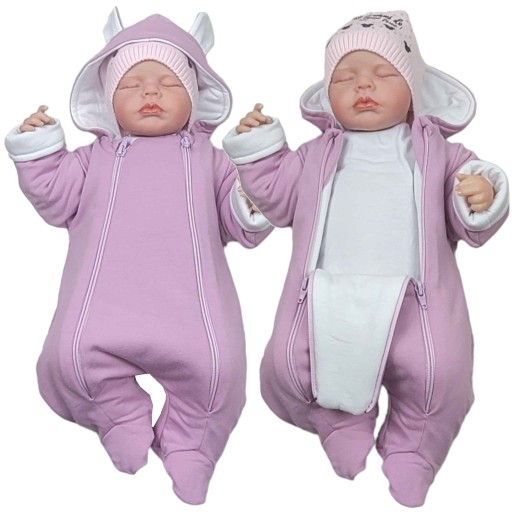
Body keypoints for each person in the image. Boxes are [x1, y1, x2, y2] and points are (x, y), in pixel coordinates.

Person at [222, 10, 509, 507]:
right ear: (328, 96)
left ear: (413, 91)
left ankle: (414, 450)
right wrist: (260, 148)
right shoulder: (313, 156)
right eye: (345, 78)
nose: (363, 85)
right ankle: (339, 420)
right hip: (324, 299)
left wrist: (481, 193)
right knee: (291, 366)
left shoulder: (440, 155)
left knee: (440, 375)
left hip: (419, 305)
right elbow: (276, 199)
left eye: (383, 74)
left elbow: (472, 206)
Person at [4, 9, 270, 506]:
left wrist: (255, 179)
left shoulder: (211, 161)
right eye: (132, 85)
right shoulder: (93, 159)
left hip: (192, 318)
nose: (150, 92)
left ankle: (192, 443)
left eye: (168, 83)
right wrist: (39, 147)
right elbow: (54, 198)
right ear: (108, 103)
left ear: (194, 99)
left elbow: (244, 222)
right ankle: (118, 415)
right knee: (66, 362)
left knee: (221, 375)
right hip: (102, 313)